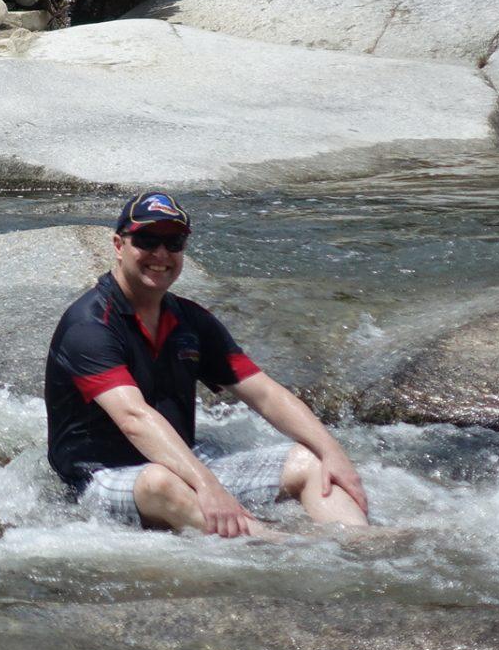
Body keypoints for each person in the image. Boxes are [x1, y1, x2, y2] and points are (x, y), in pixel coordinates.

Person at [46, 191, 368, 536]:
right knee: (161, 481)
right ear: (118, 245)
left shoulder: (190, 320)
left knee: (312, 462)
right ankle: (286, 549)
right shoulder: (90, 325)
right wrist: (207, 484)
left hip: (181, 463)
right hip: (99, 477)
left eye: (174, 242)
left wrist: (332, 450)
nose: (160, 254)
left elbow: (265, 394)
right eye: (146, 240)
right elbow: (133, 419)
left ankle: (362, 545)